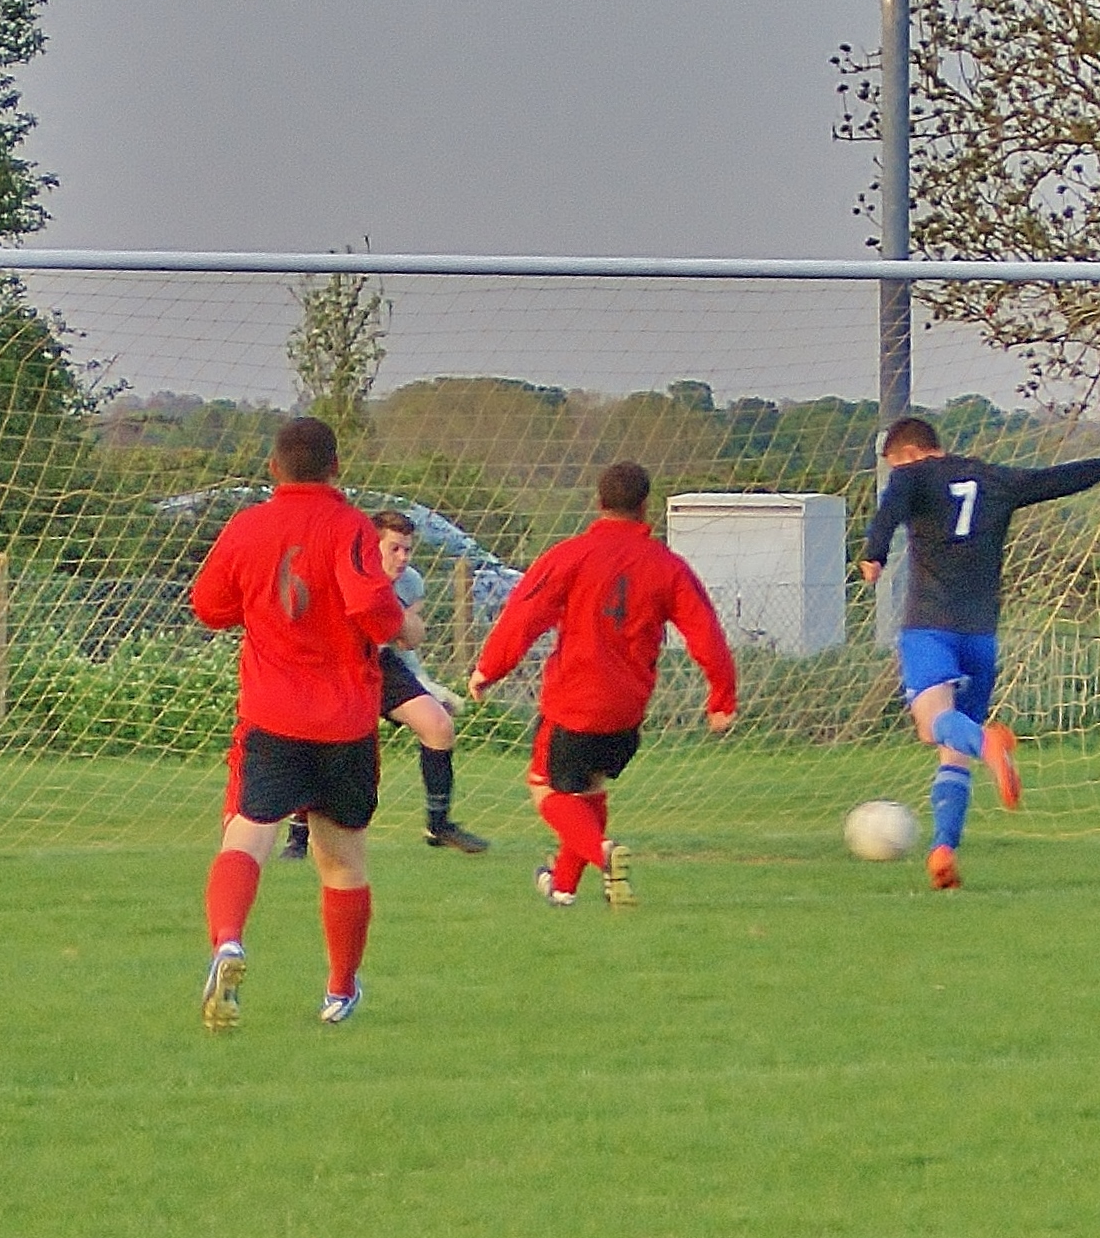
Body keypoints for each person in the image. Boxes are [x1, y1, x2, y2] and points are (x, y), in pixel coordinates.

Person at [188, 416, 403, 1030]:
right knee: (342, 861)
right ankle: (340, 991)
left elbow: (209, 607)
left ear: (273, 469)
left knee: (246, 837)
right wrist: (399, 625)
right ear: (336, 467)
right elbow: (372, 607)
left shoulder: (248, 525)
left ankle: (229, 941)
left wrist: (259, 605)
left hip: (273, 716)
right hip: (345, 722)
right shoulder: (351, 526)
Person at [859, 416, 1100, 890]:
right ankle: (943, 850)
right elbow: (1053, 481)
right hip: (980, 636)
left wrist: (874, 553)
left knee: (933, 724)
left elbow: (890, 510)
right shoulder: (995, 479)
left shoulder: (910, 475)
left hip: (930, 626)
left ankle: (989, 744)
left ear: (908, 453)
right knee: (953, 752)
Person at [468, 461, 738, 908]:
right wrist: (721, 698)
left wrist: (489, 668)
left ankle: (603, 853)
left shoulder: (570, 555)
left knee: (546, 788)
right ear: (646, 506)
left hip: (574, 702)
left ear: (598, 502)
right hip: (627, 711)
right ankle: (563, 889)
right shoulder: (668, 566)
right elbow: (705, 632)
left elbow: (524, 615)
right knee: (588, 791)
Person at [280, 508, 490, 859]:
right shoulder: (344, 575)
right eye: (394, 548)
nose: (403, 557)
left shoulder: (411, 584)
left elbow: (406, 642)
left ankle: (438, 826)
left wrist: (425, 685)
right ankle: (297, 838)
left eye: (407, 549)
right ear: (370, 548)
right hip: (336, 666)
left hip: (380, 663)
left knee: (438, 726)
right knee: (321, 743)